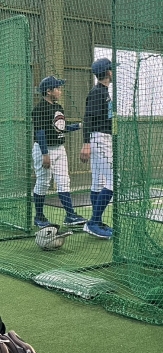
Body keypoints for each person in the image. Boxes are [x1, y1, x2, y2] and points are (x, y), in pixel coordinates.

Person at [31, 76, 87, 228]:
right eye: (58, 88)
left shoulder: (58, 108)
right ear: (49, 91)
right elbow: (40, 132)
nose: (60, 91)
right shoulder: (39, 109)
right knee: (43, 182)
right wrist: (45, 154)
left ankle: (70, 215)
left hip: (59, 149)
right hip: (44, 149)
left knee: (64, 181)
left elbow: (61, 128)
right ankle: (39, 217)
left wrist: (79, 125)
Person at [80, 58, 114, 239]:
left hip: (102, 138)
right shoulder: (97, 92)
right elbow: (88, 119)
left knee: (98, 182)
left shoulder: (103, 91)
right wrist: (86, 144)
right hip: (99, 139)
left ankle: (97, 221)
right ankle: (93, 222)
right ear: (108, 72)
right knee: (114, 181)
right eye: (111, 69)